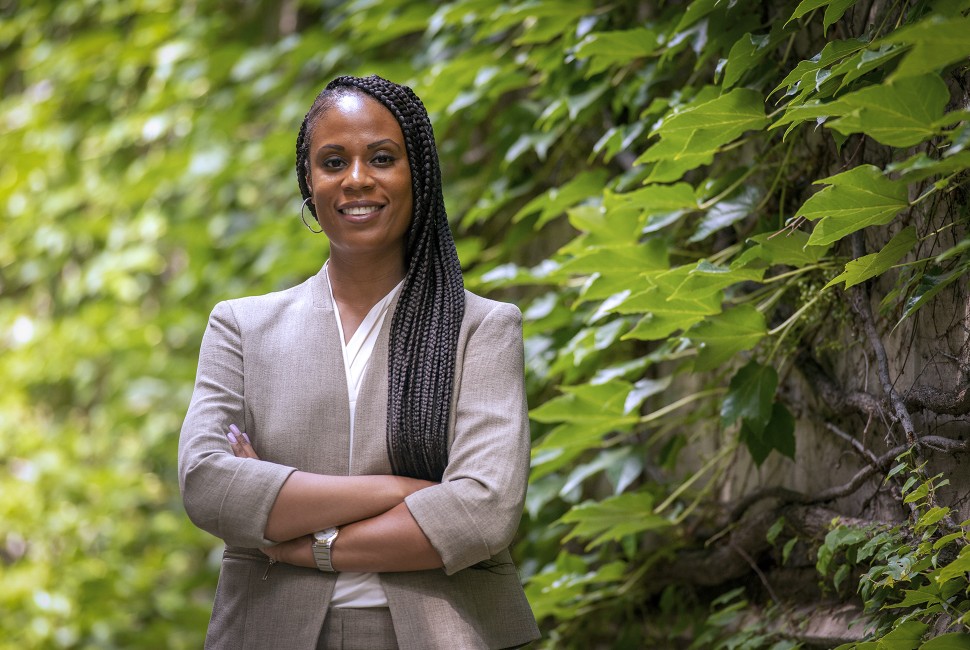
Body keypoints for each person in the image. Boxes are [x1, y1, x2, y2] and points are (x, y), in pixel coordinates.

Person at [177, 74, 540, 649]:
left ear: (416, 174)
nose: (357, 179)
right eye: (332, 161)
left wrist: (301, 542)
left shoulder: (481, 329)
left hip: (439, 633)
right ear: (309, 183)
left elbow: (483, 510)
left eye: (381, 157)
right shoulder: (241, 328)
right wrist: (405, 489)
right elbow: (208, 484)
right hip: (271, 630)